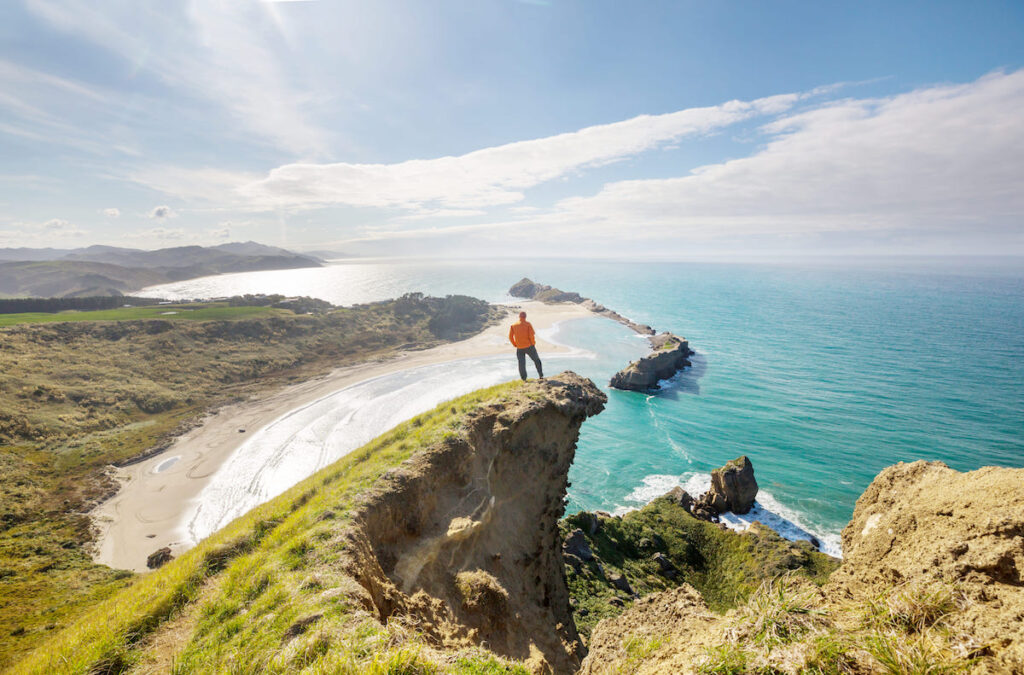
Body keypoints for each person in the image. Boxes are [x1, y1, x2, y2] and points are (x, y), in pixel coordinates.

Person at [509, 310, 543, 381]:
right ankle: (540, 375)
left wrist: (515, 344)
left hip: (519, 348)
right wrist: (533, 343)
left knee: (521, 364)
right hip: (529, 346)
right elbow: (531, 335)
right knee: (536, 360)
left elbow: (510, 337)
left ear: (519, 317)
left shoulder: (513, 325)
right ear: (525, 317)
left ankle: (524, 379)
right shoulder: (528, 324)